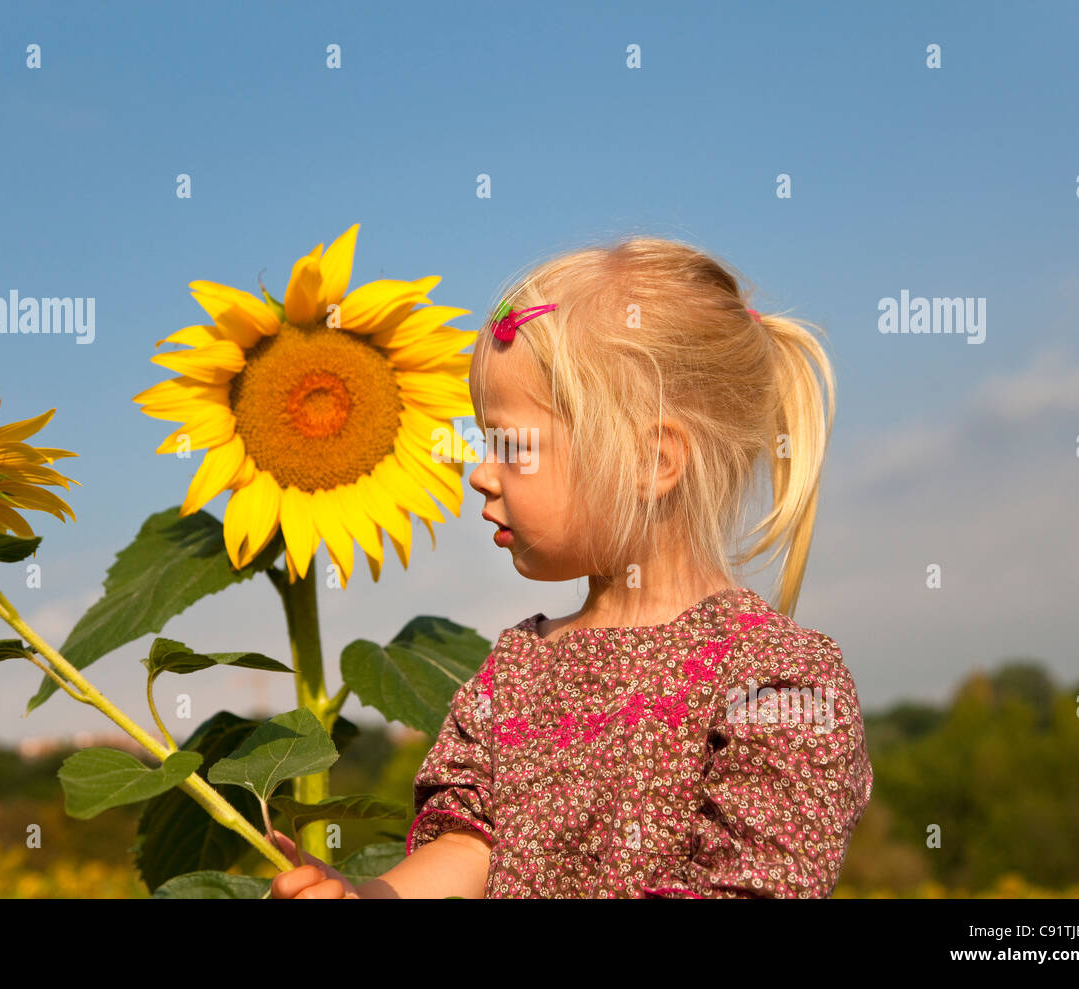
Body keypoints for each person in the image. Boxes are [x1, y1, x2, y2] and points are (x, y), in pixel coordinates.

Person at [272, 235, 873, 898]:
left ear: (652, 462)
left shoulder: (777, 679)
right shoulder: (519, 667)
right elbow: (471, 846)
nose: (479, 474)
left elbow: (759, 881)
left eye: (513, 447)